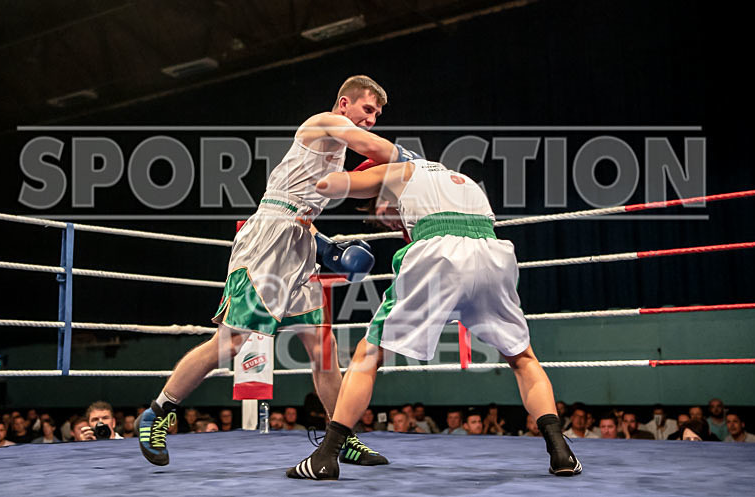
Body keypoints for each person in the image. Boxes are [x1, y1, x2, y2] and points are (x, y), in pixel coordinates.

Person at [138, 75, 407, 468]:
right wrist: (413, 163)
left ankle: (340, 436)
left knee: (322, 348)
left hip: (298, 242)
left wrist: (328, 247)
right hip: (267, 241)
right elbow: (370, 148)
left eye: (378, 115)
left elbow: (301, 212)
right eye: (369, 110)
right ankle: (157, 412)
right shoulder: (324, 123)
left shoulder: (336, 150)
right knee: (231, 342)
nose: (372, 119)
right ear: (345, 103)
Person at [286, 157, 581, 479]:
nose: (381, 217)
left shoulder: (396, 172)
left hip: (440, 254)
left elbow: (330, 184)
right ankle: (561, 452)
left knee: (368, 354)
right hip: (493, 255)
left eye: (376, 206)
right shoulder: (458, 180)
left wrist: (300, 198)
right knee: (523, 358)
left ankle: (326, 457)